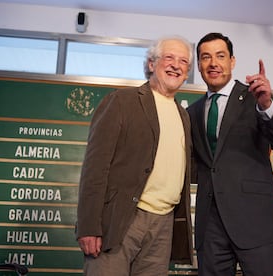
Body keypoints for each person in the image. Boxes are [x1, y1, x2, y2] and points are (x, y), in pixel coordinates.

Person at [76, 35, 194, 276]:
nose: (176, 65)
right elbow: (95, 167)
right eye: (169, 57)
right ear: (151, 63)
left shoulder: (184, 116)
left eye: (183, 61)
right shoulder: (121, 101)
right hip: (120, 220)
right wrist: (89, 226)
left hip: (163, 224)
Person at [187, 32, 273, 276]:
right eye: (205, 57)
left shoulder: (255, 98)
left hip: (257, 221)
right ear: (200, 66)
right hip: (211, 225)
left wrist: (267, 106)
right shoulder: (192, 112)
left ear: (232, 62)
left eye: (220, 56)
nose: (213, 63)